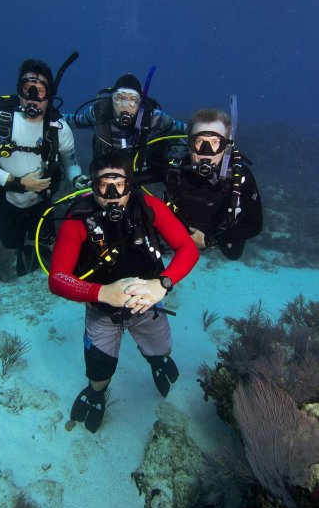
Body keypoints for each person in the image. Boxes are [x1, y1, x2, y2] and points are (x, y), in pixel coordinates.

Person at [49, 150, 199, 433]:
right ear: (93, 187)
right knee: (98, 368)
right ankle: (96, 393)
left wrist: (162, 284)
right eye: (104, 186)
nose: (113, 194)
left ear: (131, 185)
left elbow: (188, 249)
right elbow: (57, 278)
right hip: (102, 312)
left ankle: (157, 362)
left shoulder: (151, 207)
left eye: (120, 185)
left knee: (161, 348)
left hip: (147, 303)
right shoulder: (78, 218)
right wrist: (101, 293)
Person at [0, 58, 88, 276]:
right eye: (27, 89)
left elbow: (70, 162)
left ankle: (36, 258)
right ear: (19, 91)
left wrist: (77, 179)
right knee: (11, 245)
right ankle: (20, 255)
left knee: (45, 248)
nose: (33, 97)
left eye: (39, 91)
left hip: (41, 201)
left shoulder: (59, 128)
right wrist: (18, 182)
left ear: (49, 94)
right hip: (6, 199)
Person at [160, 108, 262, 260]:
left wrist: (210, 241)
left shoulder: (240, 177)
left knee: (233, 254)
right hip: (182, 231)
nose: (206, 152)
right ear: (189, 144)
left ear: (226, 147)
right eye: (199, 141)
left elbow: (254, 225)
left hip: (221, 231)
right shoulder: (174, 169)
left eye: (215, 143)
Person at [63, 73, 187, 172]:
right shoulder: (98, 114)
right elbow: (73, 121)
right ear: (111, 99)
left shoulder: (156, 119)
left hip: (147, 172)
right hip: (109, 172)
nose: (125, 106)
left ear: (141, 103)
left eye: (133, 100)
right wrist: (49, 117)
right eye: (119, 98)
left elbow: (186, 130)